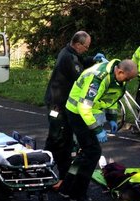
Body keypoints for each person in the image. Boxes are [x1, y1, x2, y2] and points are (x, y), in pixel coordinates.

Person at [59, 59, 138, 201]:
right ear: (120, 72)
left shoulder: (118, 78)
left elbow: (111, 98)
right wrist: (98, 129)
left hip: (89, 111)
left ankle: (67, 187)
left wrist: (112, 117)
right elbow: (84, 107)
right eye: (128, 78)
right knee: (93, 152)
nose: (129, 81)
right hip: (77, 112)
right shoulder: (97, 78)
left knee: (85, 153)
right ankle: (78, 193)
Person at [43, 31, 97, 190]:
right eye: (86, 47)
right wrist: (97, 72)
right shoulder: (68, 57)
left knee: (55, 138)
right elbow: (81, 77)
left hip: (59, 103)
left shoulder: (70, 52)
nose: (87, 49)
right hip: (57, 105)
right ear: (78, 44)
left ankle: (43, 168)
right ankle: (62, 177)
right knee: (61, 139)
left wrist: (93, 59)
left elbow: (81, 61)